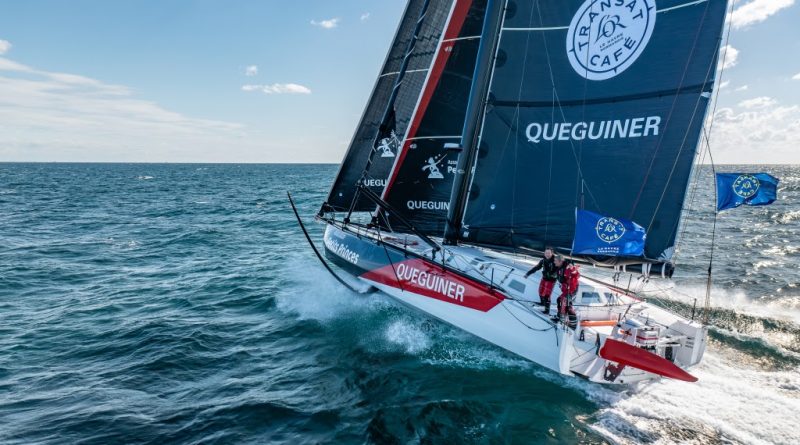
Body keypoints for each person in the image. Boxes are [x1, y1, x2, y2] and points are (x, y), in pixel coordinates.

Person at [523, 247, 558, 314]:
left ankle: (547, 310)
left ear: (552, 253)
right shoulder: (543, 260)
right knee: (540, 291)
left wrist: (550, 274)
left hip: (551, 280)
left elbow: (558, 270)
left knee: (547, 295)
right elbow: (536, 268)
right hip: (544, 278)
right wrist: (528, 274)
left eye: (549, 253)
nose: (547, 254)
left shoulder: (555, 261)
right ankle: (542, 303)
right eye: (546, 253)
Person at [554, 255, 580, 328]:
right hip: (566, 289)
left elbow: (577, 275)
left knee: (567, 304)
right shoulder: (559, 268)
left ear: (560, 261)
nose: (554, 262)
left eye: (555, 261)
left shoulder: (568, 267)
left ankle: (573, 324)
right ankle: (560, 317)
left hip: (572, 289)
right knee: (559, 300)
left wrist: (572, 269)